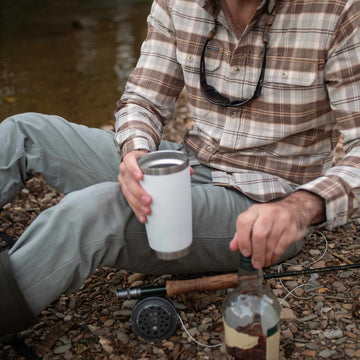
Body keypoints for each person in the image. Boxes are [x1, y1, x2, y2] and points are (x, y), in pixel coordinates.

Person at [1, 0, 360, 337]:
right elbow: (142, 99)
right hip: (191, 161)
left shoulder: (339, 11)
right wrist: (135, 154)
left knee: (94, 211)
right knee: (24, 132)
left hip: (266, 203)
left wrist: (300, 208)